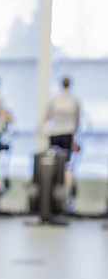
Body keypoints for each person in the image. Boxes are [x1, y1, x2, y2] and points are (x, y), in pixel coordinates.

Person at [45, 76, 80, 205]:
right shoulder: (74, 100)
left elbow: (47, 117)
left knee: (51, 164)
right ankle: (67, 197)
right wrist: (75, 140)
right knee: (67, 165)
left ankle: (50, 194)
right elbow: (77, 121)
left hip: (55, 133)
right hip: (67, 134)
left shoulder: (55, 100)